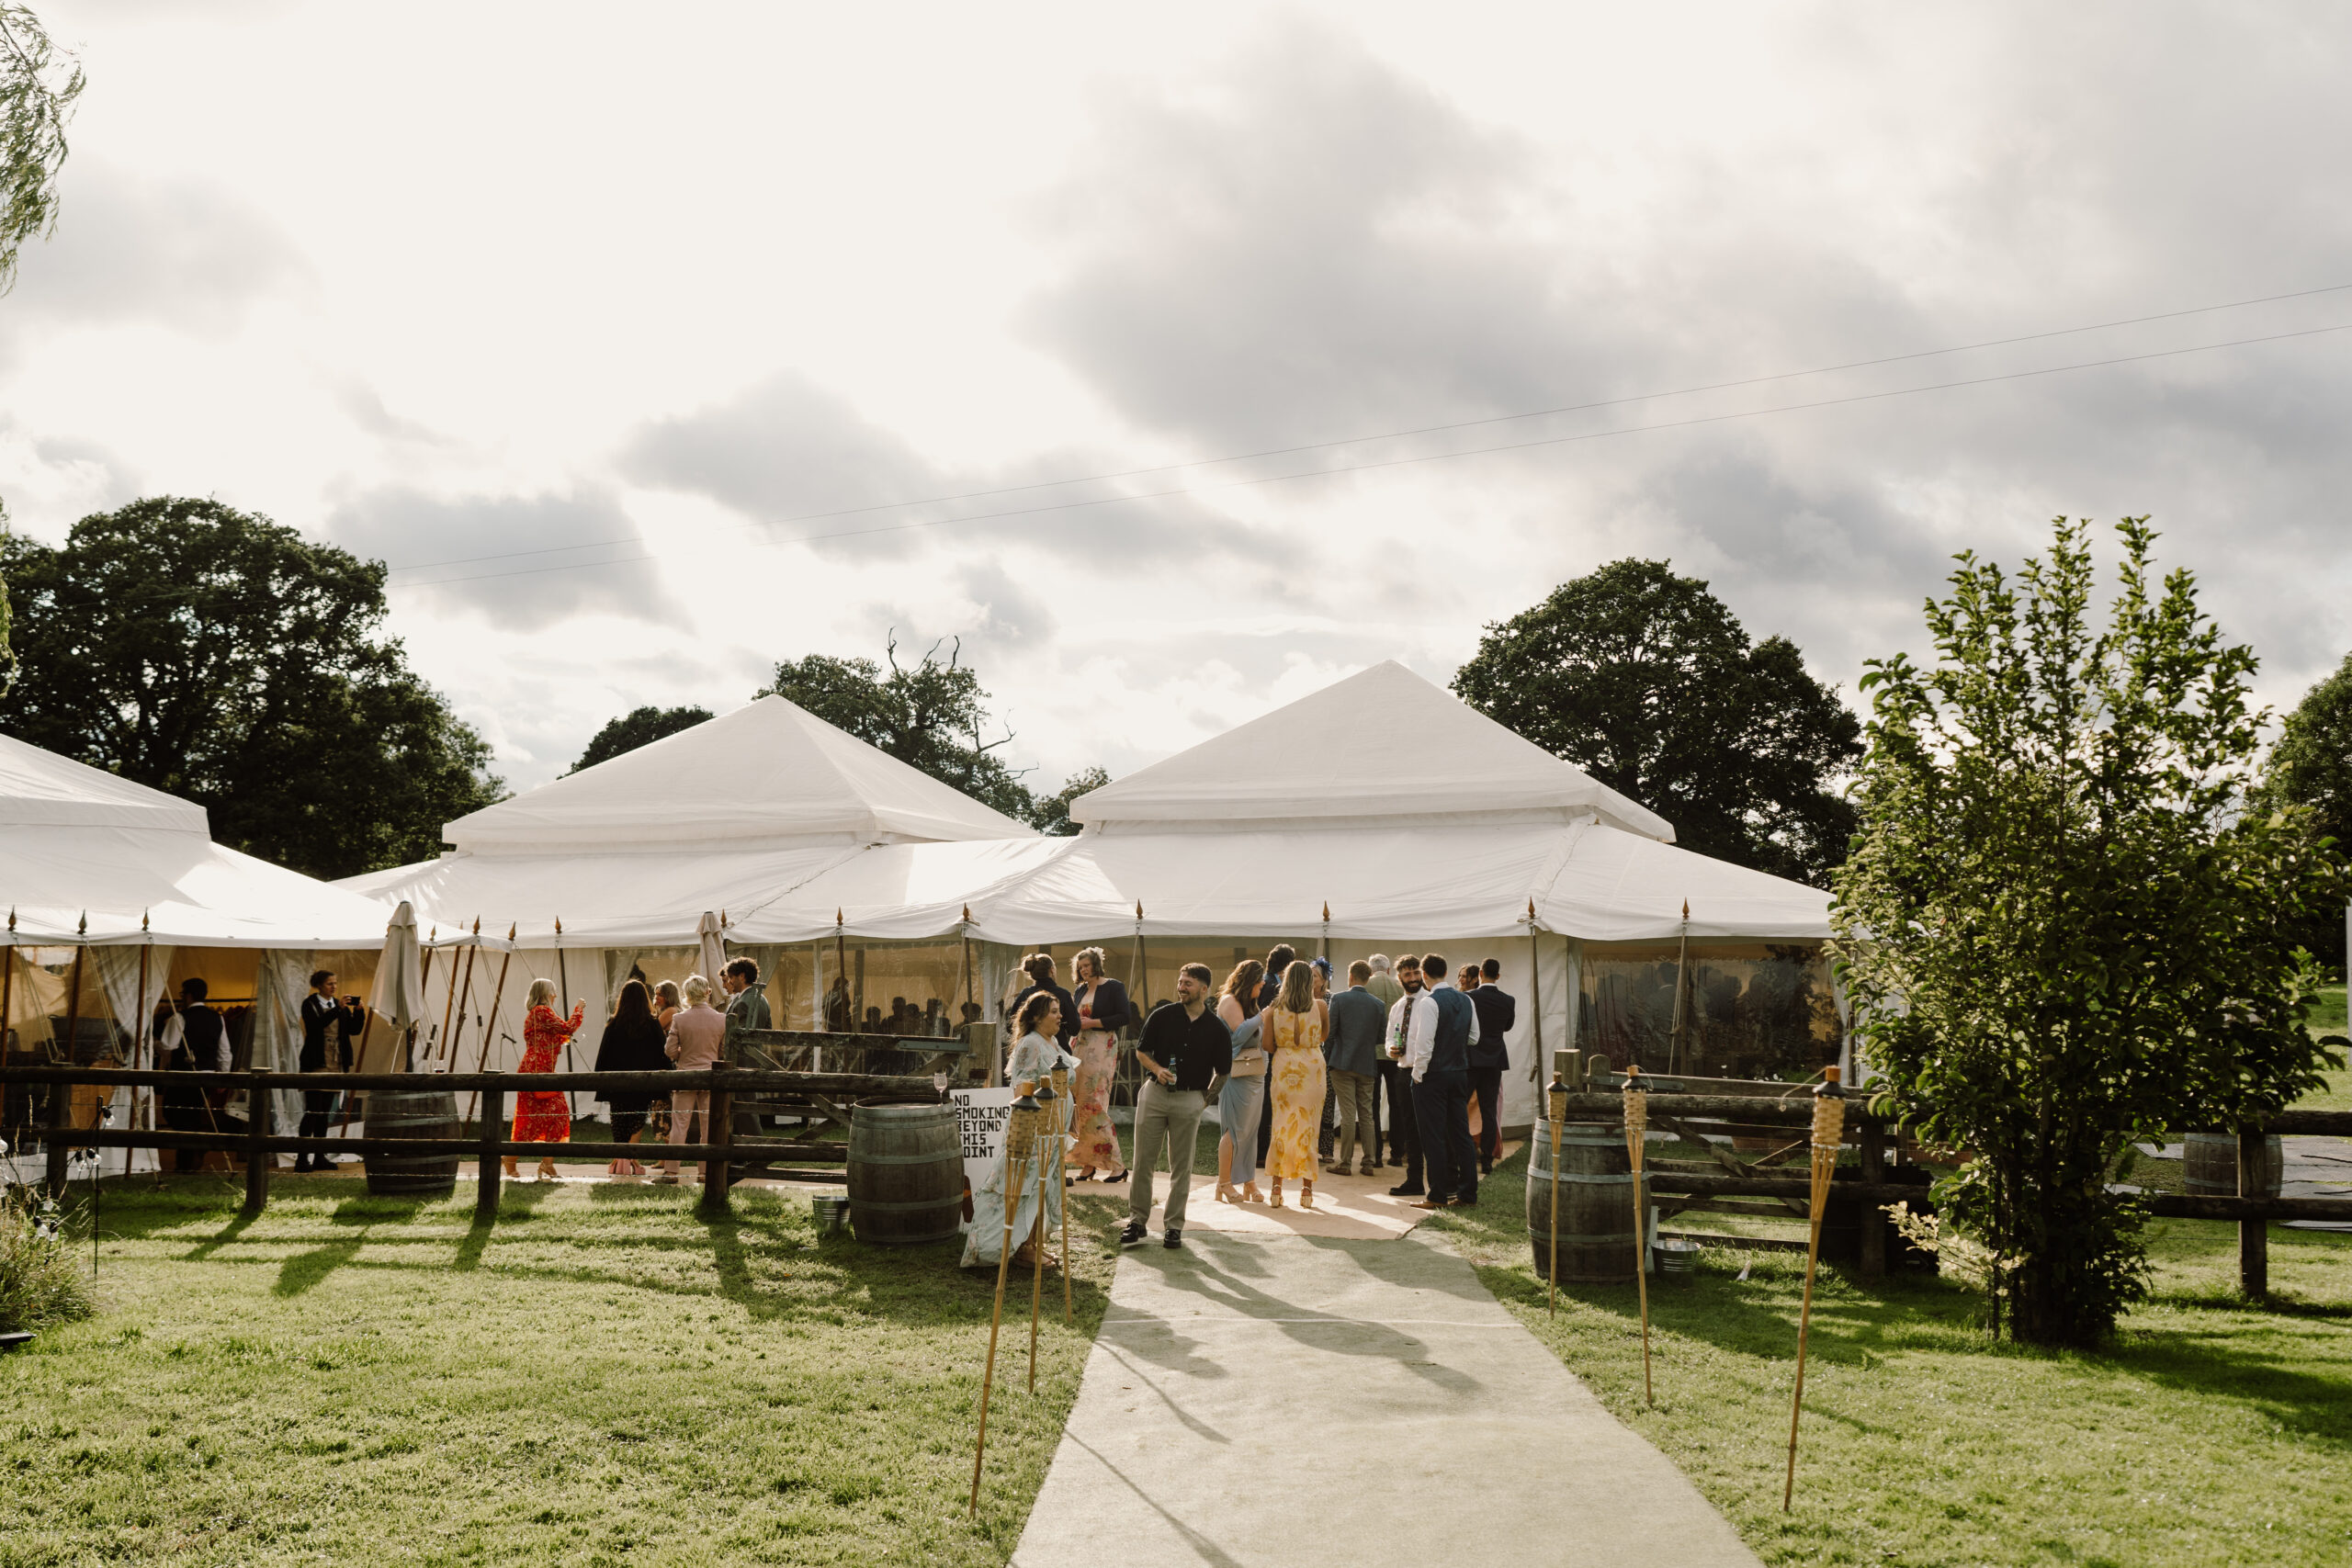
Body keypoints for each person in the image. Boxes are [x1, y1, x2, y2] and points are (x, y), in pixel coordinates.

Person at [962, 989, 1076, 1269]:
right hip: (1034, 1130)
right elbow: (1022, 1089)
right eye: (1053, 1011)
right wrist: (1036, 1127)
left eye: (1059, 1011)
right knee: (1026, 1187)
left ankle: (1032, 1244)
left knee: (1042, 1186)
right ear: (1036, 1017)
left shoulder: (1052, 1042)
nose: (1060, 1016)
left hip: (1053, 1129)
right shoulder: (1030, 1044)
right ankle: (1021, 1248)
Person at [1123, 964, 1231, 1249]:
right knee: (1142, 1161)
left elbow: (1223, 1072)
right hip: (1154, 1094)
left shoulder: (1217, 1028)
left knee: (1182, 1166)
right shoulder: (1162, 1016)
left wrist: (1203, 1101)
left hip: (1190, 1099)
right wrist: (1157, 1069)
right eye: (1180, 982)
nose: (1181, 987)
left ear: (1204, 989)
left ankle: (1173, 1227)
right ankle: (1137, 1222)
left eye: (1188, 983)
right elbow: (1142, 1051)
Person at [1400, 951, 1479, 1211]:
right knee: (1461, 1134)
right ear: (1446, 972)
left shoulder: (1429, 1003)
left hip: (1433, 1076)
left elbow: (1424, 1046)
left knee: (1433, 1136)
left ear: (1424, 975)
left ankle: (1437, 1194)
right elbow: (1474, 1037)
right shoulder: (1467, 1000)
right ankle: (1468, 1193)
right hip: (1459, 1072)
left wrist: (1417, 1075)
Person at [1263, 959, 1329, 1210]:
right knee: (1309, 1127)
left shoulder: (1273, 1009)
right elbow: (1323, 1035)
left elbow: (1267, 1045)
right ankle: (1307, 1191)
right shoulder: (1320, 1006)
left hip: (1284, 1067)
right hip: (1312, 1068)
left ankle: (1276, 1189)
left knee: (1280, 1125)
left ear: (1286, 981)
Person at [1068, 946, 1133, 1184]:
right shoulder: (1080, 990)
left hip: (1101, 1047)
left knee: (1093, 1104)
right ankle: (1088, 1164)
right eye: (1080, 967)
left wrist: (1092, 1022)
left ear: (1096, 964)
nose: (1084, 970)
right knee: (1078, 1105)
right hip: (1079, 1047)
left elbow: (1124, 1016)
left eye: (1087, 965)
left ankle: (1117, 1165)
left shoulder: (1113, 986)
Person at [594, 979, 668, 1176]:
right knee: (637, 1119)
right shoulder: (651, 1023)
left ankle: (621, 1160)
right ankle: (630, 1159)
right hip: (643, 1083)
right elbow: (662, 1052)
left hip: (617, 1083)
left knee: (619, 1120)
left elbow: (603, 1054)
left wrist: (600, 1079)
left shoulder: (614, 1024)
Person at [658, 976, 727, 1183]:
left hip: (686, 1075)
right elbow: (723, 1051)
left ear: (687, 995)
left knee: (679, 1125)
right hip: (710, 1076)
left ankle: (671, 1172)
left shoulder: (680, 1018)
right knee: (708, 1127)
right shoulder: (721, 1019)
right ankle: (704, 1172)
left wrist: (683, 1054)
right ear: (708, 992)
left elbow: (669, 1050)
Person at [512, 978, 581, 1181]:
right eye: (553, 992)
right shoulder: (542, 1011)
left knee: (557, 1114)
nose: (555, 995)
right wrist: (579, 1009)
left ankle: (547, 1163)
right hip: (535, 1070)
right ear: (544, 994)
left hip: (543, 1070)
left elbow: (557, 1034)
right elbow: (568, 1028)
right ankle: (509, 1159)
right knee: (531, 1120)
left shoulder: (539, 1014)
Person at [1212, 959, 1267, 1205]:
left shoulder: (1250, 1005)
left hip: (1254, 1076)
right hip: (1235, 1076)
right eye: (1260, 981)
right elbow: (1240, 1034)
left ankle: (1249, 1181)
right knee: (1233, 1130)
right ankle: (1224, 1182)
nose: (1263, 985)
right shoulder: (1229, 1001)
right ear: (1249, 981)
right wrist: (1263, 1016)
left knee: (1251, 1132)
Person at [1324, 961, 1385, 1177]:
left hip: (1342, 1063)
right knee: (1367, 1114)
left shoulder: (1339, 999)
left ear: (1350, 976)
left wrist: (1327, 1058)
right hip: (1367, 1064)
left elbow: (1330, 1033)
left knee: (1348, 1114)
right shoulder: (1378, 1005)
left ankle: (1346, 1162)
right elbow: (1381, 1037)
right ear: (1368, 978)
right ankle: (1369, 1162)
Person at [295, 970, 352, 1172]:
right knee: (313, 1110)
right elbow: (315, 1026)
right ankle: (302, 1158)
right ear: (319, 985)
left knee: (325, 1112)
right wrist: (338, 1009)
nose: (334, 987)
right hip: (316, 1060)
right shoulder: (309, 1004)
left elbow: (352, 1030)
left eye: (335, 983)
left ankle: (320, 1156)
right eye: (329, 983)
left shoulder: (337, 1004)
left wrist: (359, 1012)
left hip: (335, 1061)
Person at [1468, 956, 1518, 1176]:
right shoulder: (1508, 1000)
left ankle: (1465, 1152)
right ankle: (1487, 1159)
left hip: (1471, 1059)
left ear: (1480, 973)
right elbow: (1507, 1026)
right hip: (1494, 1059)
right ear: (1498, 976)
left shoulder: (1469, 997)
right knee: (1489, 1111)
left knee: (1461, 1107)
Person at [1381, 957, 1427, 1193]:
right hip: (1402, 1071)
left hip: (1426, 1074)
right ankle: (1414, 1180)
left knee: (1429, 1128)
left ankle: (1443, 1180)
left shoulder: (1429, 1002)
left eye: (1416, 973)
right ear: (1399, 978)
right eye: (1408, 975)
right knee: (1410, 1129)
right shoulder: (1398, 1007)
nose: (1413, 979)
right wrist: (1391, 1049)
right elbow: (1390, 1036)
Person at [1363, 953, 1407, 1165]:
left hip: (1372, 1051)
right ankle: (1397, 1153)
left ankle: (1376, 1154)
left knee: (1371, 1103)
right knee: (1397, 1103)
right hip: (1394, 1051)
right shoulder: (1400, 987)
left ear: (1370, 970)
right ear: (1389, 970)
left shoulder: (1366, 985)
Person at [1010, 953, 1079, 1053]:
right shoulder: (1064, 995)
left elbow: (1010, 1026)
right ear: (1052, 970)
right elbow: (1074, 1029)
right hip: (1058, 1052)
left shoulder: (1025, 994)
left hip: (1031, 1051)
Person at [721, 957, 771, 1062]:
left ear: (742, 976)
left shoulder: (742, 1002)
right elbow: (768, 1030)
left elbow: (739, 1039)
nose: (729, 982)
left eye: (731, 977)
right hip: (759, 1058)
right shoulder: (763, 999)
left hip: (743, 1061)